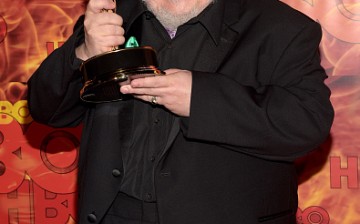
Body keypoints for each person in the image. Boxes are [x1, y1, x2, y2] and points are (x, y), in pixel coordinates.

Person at [27, 0, 334, 223]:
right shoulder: (112, 19)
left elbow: (307, 122)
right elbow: (47, 110)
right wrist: (83, 53)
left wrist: (198, 98)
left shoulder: (282, 28)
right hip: (116, 213)